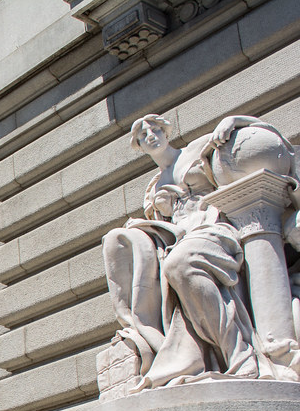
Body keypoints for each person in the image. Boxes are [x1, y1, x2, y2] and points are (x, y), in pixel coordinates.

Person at [101, 114, 284, 390]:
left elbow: (264, 134)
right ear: (139, 146)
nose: (150, 135)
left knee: (180, 262)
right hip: (181, 239)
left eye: (154, 129)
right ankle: (159, 345)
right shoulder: (153, 187)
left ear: (165, 131)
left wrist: (233, 121)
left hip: (215, 229)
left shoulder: (195, 150)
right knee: (137, 247)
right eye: (143, 135)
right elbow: (164, 225)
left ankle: (241, 355)